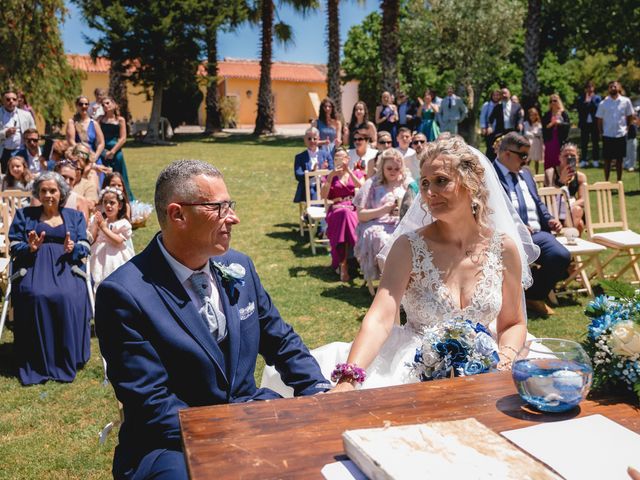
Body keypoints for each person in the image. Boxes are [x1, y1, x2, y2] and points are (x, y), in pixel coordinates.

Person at [95, 160, 329, 480]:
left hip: (250, 411)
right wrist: (237, 429)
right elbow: (152, 404)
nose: (234, 218)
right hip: (170, 443)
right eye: (219, 208)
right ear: (178, 215)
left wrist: (318, 391)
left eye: (229, 205)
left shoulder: (238, 266)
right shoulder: (124, 294)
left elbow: (279, 338)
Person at [261, 136, 538, 395]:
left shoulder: (504, 249)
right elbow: (381, 318)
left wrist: (504, 361)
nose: (430, 193)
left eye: (441, 181)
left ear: (472, 184)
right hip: (415, 365)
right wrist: (349, 377)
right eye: (426, 183)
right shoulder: (408, 247)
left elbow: (513, 322)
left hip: (485, 368)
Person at [9, 172, 92, 385]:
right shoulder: (24, 215)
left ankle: (66, 356)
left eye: (53, 190)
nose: (48, 195)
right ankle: (37, 359)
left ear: (61, 192)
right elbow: (13, 246)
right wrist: (29, 247)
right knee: (36, 295)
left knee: (65, 296)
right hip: (33, 266)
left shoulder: (74, 217)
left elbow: (84, 245)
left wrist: (73, 248)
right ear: (37, 192)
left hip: (66, 266)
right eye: (43, 190)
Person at [495, 132, 570, 316]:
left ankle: (534, 296)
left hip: (536, 234)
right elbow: (490, 211)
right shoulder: (490, 175)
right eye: (522, 155)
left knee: (561, 256)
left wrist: (550, 218)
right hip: (507, 236)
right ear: (506, 154)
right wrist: (516, 226)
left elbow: (536, 201)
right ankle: (515, 299)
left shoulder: (526, 173)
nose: (526, 160)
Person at [354, 149, 408, 295]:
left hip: (400, 224)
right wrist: (384, 210)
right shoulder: (371, 184)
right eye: (389, 168)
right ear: (382, 167)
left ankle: (407, 286)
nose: (393, 172)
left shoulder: (406, 183)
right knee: (383, 239)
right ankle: (391, 287)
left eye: (397, 169)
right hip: (375, 223)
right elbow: (361, 215)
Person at [321, 149, 365, 283]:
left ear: (348, 159)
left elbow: (362, 187)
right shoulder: (330, 176)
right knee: (343, 215)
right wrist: (330, 177)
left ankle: (343, 263)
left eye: (343, 158)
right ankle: (358, 257)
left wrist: (349, 172)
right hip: (336, 208)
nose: (340, 161)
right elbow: (323, 195)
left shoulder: (356, 172)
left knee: (347, 215)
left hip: (352, 207)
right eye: (336, 159)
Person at [88, 186, 134, 287]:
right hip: (98, 253)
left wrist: (104, 228)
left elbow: (119, 241)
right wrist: (96, 224)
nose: (108, 205)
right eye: (105, 202)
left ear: (120, 205)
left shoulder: (123, 223)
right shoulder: (98, 220)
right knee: (97, 277)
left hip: (115, 256)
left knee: (115, 277)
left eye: (112, 202)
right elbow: (91, 238)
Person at [544, 143, 587, 235]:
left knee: (578, 211)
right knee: (579, 223)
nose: (569, 158)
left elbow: (583, 200)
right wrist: (561, 181)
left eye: (572, 156)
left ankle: (566, 234)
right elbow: (548, 197)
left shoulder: (580, 177)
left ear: (577, 158)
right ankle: (569, 237)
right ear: (559, 157)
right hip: (554, 210)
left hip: (571, 211)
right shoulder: (551, 173)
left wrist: (568, 207)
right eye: (566, 155)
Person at [596, 81, 635, 182]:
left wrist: (627, 127)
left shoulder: (626, 101)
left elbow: (630, 115)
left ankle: (619, 181)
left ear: (619, 88)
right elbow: (599, 119)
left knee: (619, 159)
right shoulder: (603, 103)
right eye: (610, 86)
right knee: (607, 160)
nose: (613, 88)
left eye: (615, 86)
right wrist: (600, 132)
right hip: (607, 134)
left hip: (620, 134)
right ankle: (607, 181)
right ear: (608, 89)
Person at [100, 96, 135, 200]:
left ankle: (125, 197)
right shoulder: (100, 119)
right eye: (103, 105)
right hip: (103, 150)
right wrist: (104, 151)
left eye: (107, 103)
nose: (105, 106)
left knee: (120, 173)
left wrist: (113, 151)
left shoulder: (120, 120)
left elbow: (123, 138)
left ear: (114, 105)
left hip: (116, 150)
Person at [66, 95, 107, 184]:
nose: (84, 106)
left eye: (86, 104)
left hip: (94, 157)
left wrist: (94, 157)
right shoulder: (72, 122)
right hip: (78, 158)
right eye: (81, 104)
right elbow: (71, 141)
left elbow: (101, 142)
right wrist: (84, 155)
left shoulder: (94, 123)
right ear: (76, 106)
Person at [293, 127, 333, 204]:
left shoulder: (326, 154)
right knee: (314, 194)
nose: (312, 141)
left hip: (324, 186)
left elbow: (332, 170)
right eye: (309, 139)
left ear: (318, 139)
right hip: (308, 188)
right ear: (305, 140)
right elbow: (298, 175)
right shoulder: (299, 157)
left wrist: (324, 170)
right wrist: (312, 172)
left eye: (315, 139)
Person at [1, 88, 36, 174]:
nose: (11, 101)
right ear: (3, 101)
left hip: (21, 150)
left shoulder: (26, 115)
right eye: (8, 99)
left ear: (17, 101)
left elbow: (34, 132)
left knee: (23, 176)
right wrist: (5, 133)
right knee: (7, 177)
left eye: (14, 99)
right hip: (4, 151)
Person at [542, 94, 570, 171]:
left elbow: (567, 125)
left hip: (560, 139)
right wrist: (551, 124)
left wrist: (559, 123)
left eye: (555, 100)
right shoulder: (547, 114)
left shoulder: (564, 113)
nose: (553, 102)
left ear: (558, 101)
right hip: (550, 139)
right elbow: (544, 127)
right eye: (551, 101)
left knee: (560, 159)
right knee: (550, 159)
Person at [576, 81, 601, 168]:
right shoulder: (581, 98)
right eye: (588, 87)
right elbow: (579, 110)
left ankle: (595, 160)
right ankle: (584, 160)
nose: (589, 89)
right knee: (584, 142)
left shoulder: (597, 98)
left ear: (593, 88)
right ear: (585, 89)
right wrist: (585, 102)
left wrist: (591, 100)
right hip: (585, 124)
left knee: (595, 142)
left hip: (594, 124)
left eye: (591, 87)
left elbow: (598, 109)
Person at [480, 90, 500, 157]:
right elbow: (482, 116)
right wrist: (483, 127)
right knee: (490, 148)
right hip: (489, 129)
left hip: (498, 130)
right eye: (494, 95)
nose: (496, 97)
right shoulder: (487, 105)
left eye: (497, 95)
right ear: (491, 96)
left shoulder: (501, 105)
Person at [523, 108, 544, 174]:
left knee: (536, 160)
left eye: (534, 115)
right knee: (528, 159)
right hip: (529, 143)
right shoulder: (526, 123)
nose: (532, 117)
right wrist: (535, 134)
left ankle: (537, 174)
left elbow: (540, 133)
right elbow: (526, 133)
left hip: (537, 143)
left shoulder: (539, 124)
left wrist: (532, 133)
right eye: (531, 115)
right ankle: (525, 172)